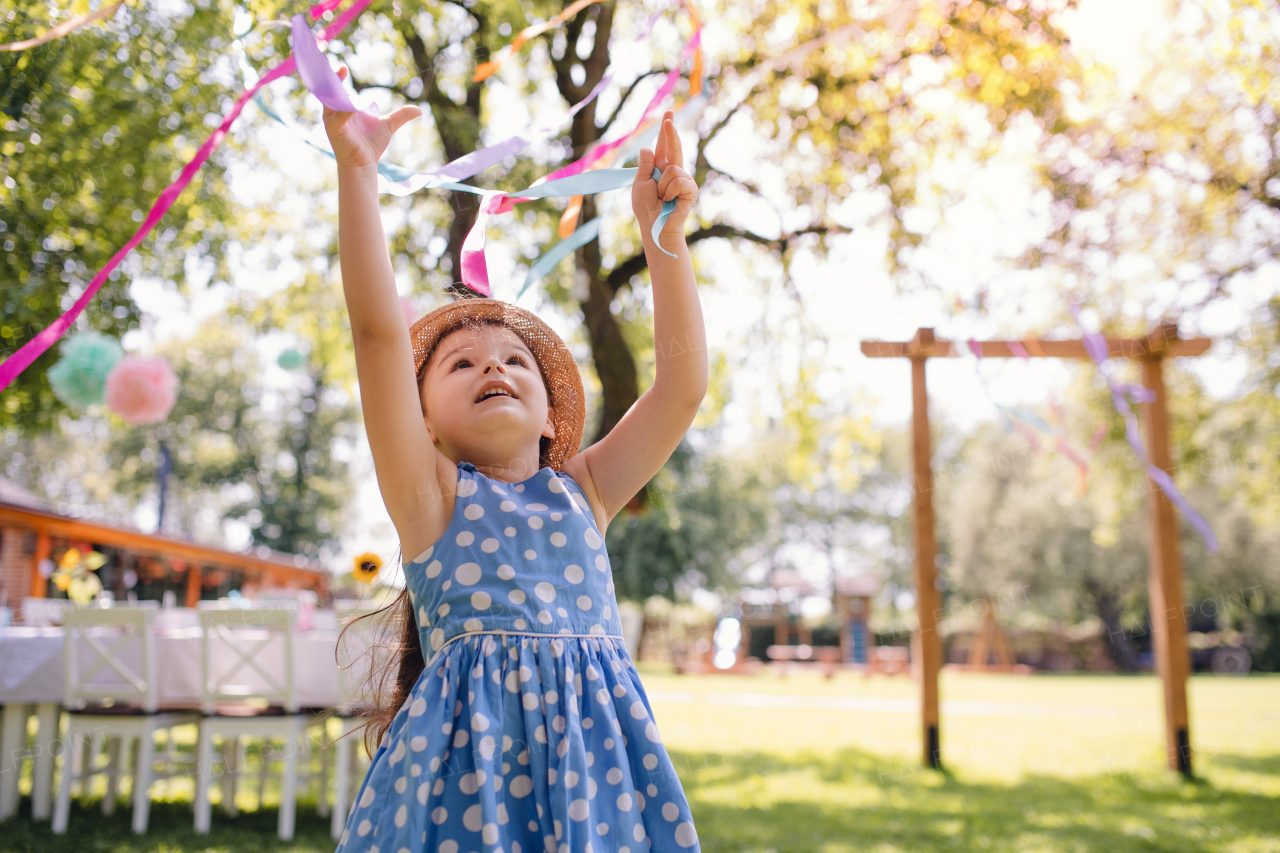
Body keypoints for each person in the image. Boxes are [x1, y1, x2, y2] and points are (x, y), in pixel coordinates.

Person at [323, 63, 706, 853]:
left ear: (548, 417)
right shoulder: (429, 496)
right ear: (422, 421)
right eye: (459, 364)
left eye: (512, 361)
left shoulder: (585, 489)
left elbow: (680, 386)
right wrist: (357, 171)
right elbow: (376, 337)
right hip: (468, 790)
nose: (491, 366)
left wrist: (663, 235)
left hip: (598, 782)